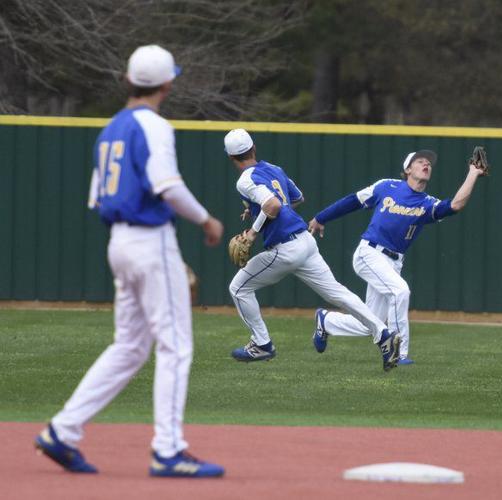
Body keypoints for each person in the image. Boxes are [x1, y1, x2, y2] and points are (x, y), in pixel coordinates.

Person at [34, 45, 225, 478]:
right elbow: (167, 186)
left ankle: (62, 431)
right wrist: (207, 220)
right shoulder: (153, 126)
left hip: (118, 242)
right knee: (175, 344)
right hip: (150, 239)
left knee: (131, 346)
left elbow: (97, 195)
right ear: (169, 83)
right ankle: (168, 450)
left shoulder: (111, 129)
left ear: (127, 80)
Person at [223, 128, 400, 371]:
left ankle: (261, 344)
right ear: (254, 148)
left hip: (285, 248)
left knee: (239, 288)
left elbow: (273, 204)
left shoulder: (244, 180)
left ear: (231, 158)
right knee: (337, 293)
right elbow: (295, 198)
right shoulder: (274, 169)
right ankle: (383, 334)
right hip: (306, 241)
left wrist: (252, 232)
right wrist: (257, 210)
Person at [308, 150, 485, 364]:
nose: (426, 164)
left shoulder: (427, 203)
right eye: (420, 161)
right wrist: (321, 217)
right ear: (408, 169)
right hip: (369, 253)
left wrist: (473, 173)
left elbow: (456, 205)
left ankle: (326, 321)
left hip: (394, 262)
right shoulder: (387, 186)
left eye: (429, 163)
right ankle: (398, 353)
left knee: (371, 322)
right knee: (400, 291)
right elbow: (353, 201)